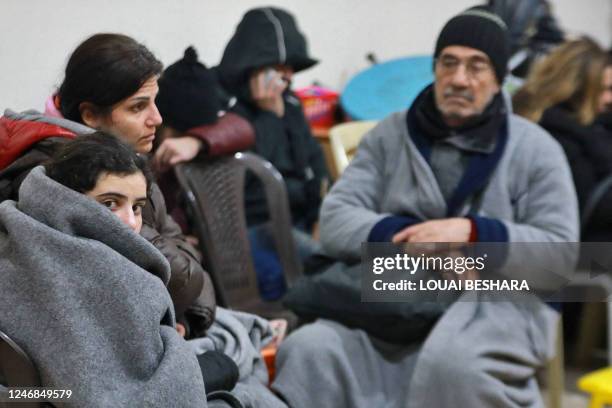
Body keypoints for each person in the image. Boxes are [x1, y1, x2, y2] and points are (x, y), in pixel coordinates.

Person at [272, 6, 578, 408]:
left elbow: (561, 251)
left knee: (454, 368)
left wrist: (472, 233)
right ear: (434, 69)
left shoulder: (536, 148)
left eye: (477, 66)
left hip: (496, 297)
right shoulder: (391, 135)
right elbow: (334, 219)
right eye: (448, 63)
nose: (459, 79)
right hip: (396, 293)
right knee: (311, 349)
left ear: (499, 78)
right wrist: (412, 241)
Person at [0, 33, 215, 339]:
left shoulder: (123, 162)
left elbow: (177, 269)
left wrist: (187, 312)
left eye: (155, 102)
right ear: (90, 115)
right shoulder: (65, 176)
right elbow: (181, 278)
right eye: (138, 107)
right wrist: (188, 300)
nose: (157, 118)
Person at [0, 133, 208, 406]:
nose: (131, 223)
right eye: (110, 204)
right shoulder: (121, 282)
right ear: (64, 198)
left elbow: (39, 392)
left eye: (137, 207)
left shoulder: (12, 239)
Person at [215, 7, 329, 299]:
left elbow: (314, 164)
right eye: (276, 67)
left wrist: (320, 216)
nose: (286, 76)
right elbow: (256, 184)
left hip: (301, 222)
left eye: (290, 67)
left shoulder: (289, 104)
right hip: (253, 229)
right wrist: (267, 117)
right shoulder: (222, 106)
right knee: (328, 276)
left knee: (355, 263)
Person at [513, 37, 612, 240]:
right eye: (604, 90)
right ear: (580, 89)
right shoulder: (562, 141)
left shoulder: (587, 130)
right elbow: (584, 211)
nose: (609, 99)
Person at [154, 45, 255, 234]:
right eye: (178, 134)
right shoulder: (144, 151)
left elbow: (243, 128)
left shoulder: (199, 144)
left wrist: (197, 141)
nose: (177, 146)